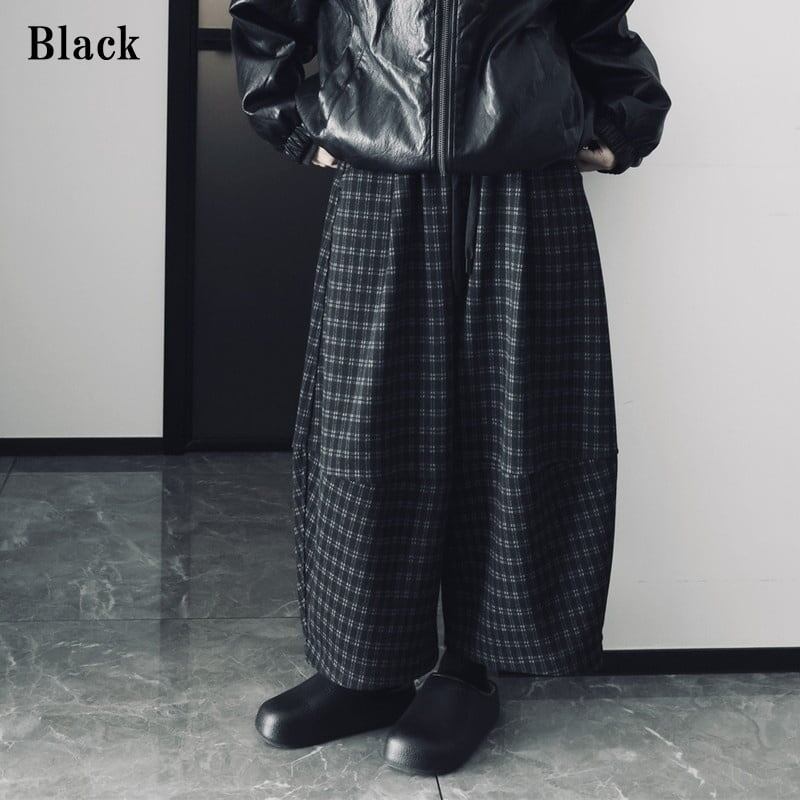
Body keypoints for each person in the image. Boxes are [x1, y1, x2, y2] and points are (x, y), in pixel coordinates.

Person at [229, 0, 670, 776]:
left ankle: (471, 670)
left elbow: (597, 22)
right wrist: (293, 121)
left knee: (516, 428)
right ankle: (363, 671)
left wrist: (623, 124)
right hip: (379, 172)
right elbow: (265, 13)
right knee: (366, 433)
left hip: (525, 179)